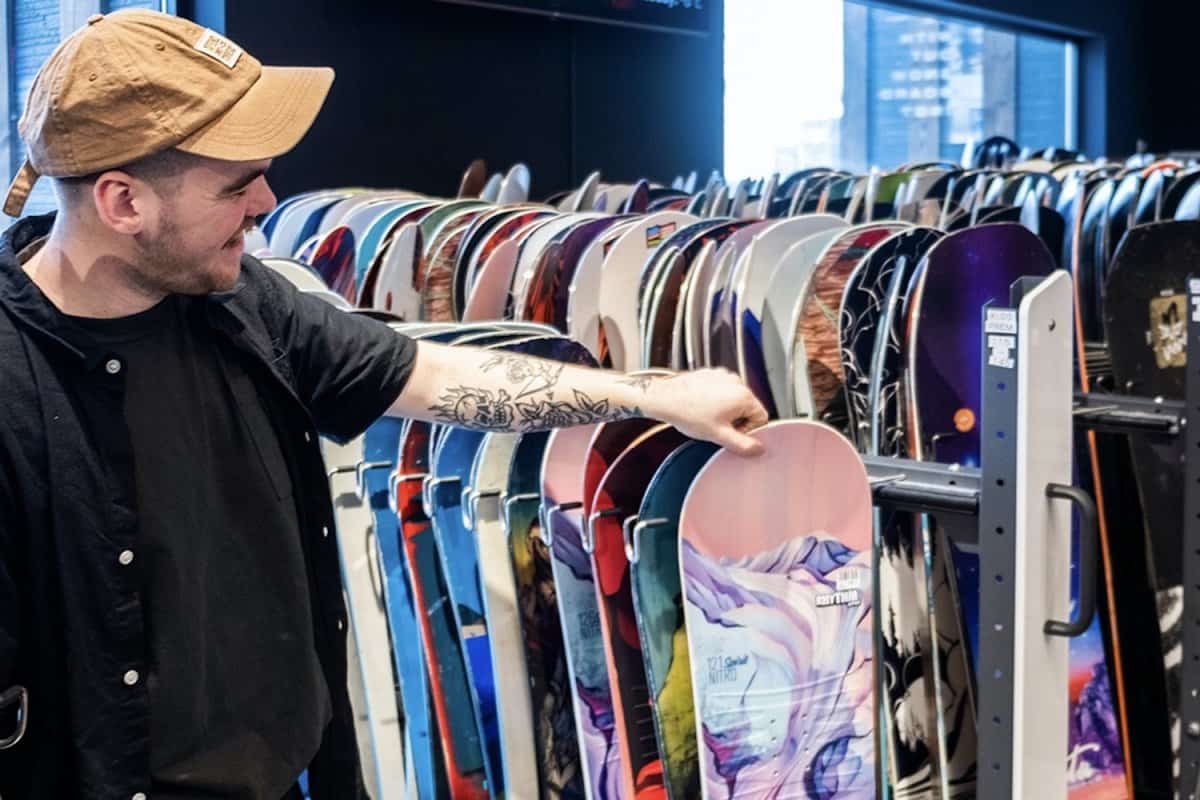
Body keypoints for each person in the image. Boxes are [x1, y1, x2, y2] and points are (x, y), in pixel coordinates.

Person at [0, 9, 768, 799]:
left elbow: (430, 379)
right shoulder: (13, 386)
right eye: (236, 184)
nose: (267, 199)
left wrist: (653, 395)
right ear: (123, 203)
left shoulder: (246, 306)